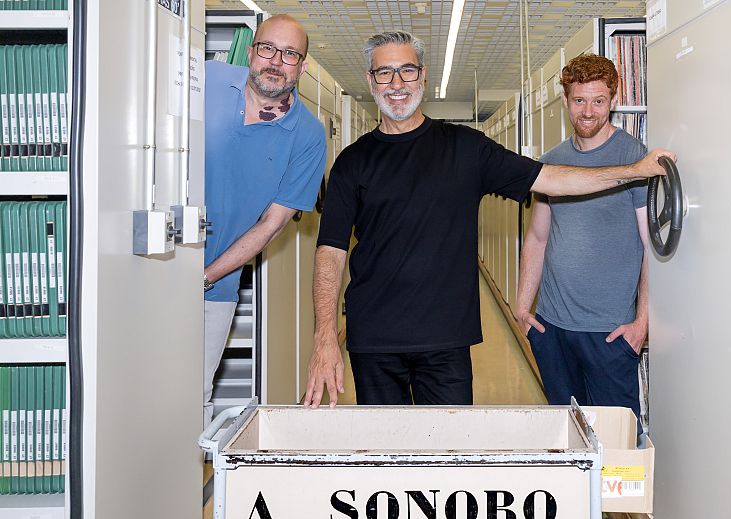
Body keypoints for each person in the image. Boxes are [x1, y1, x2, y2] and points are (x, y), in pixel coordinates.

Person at [304, 31, 673, 408]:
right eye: (385, 73)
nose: (397, 83)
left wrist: (633, 170)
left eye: (407, 71)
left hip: (446, 341)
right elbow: (330, 252)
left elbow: (553, 179)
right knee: (385, 453)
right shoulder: (351, 162)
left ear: (423, 76)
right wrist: (325, 338)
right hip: (373, 341)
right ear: (371, 81)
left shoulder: (466, 148)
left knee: (450, 457)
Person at [203, 14, 326, 426]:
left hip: (214, 287)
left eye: (290, 54)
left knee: (193, 394)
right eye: (268, 48)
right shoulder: (203, 81)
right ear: (252, 51)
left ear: (302, 66)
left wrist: (204, 277)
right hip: (146, 267)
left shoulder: (308, 136)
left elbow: (272, 223)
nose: (276, 61)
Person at [515, 54, 648, 432]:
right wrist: (523, 309)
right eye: (579, 101)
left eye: (598, 101)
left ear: (613, 100)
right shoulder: (552, 163)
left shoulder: (631, 159)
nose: (588, 111)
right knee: (569, 440)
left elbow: (650, 248)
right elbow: (538, 237)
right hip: (553, 330)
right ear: (566, 100)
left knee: (616, 443)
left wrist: (642, 324)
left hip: (610, 333)